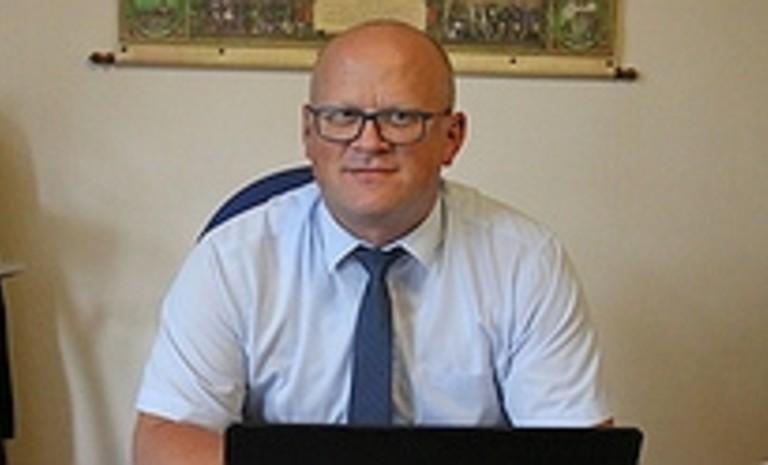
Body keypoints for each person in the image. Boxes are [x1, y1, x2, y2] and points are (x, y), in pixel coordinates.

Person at [132, 19, 612, 465]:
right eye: (343, 116)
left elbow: (573, 449)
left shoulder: (525, 263)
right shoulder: (232, 260)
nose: (368, 142)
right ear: (308, 132)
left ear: (452, 137)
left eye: (400, 117)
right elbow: (164, 438)